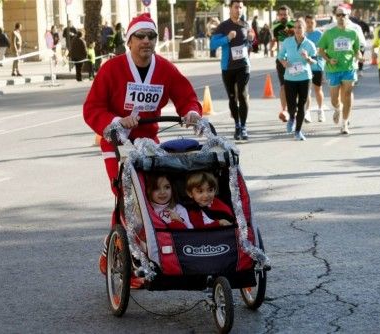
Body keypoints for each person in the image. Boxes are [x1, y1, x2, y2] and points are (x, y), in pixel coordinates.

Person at [83, 13, 202, 275]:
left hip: (149, 142)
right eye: (140, 36)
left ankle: (154, 248)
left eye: (151, 36)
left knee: (156, 195)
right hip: (117, 143)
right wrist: (116, 121)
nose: (146, 41)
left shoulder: (165, 68)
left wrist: (192, 111)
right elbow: (92, 108)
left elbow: (186, 96)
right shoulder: (111, 69)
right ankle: (114, 248)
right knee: (127, 197)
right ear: (129, 41)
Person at [210, 0, 255, 141]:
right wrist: (227, 38)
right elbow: (213, 44)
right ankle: (237, 125)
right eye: (236, 7)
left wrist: (251, 40)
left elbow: (251, 42)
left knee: (242, 94)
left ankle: (244, 126)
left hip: (243, 66)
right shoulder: (223, 26)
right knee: (232, 98)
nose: (238, 10)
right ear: (230, 9)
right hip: (228, 67)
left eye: (240, 7)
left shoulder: (246, 24)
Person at [318, 5, 361, 135]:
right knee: (334, 99)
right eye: (339, 15)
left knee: (347, 94)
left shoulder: (353, 33)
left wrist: (359, 56)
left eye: (344, 15)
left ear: (348, 16)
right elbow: (321, 51)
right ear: (335, 17)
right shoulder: (329, 33)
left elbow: (356, 50)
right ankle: (337, 109)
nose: (341, 17)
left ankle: (345, 123)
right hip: (333, 69)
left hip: (348, 68)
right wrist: (329, 59)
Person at [277, 18, 317, 141]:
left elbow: (315, 61)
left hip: (305, 78)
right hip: (290, 77)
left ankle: (298, 131)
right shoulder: (287, 42)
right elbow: (280, 55)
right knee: (291, 105)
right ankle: (292, 118)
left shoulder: (309, 44)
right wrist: (284, 62)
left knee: (302, 105)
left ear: (304, 29)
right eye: (296, 27)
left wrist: (308, 58)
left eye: (300, 27)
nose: (297, 30)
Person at [270, 5, 295, 121]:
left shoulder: (295, 25)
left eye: (285, 14)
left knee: (296, 85)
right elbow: (275, 41)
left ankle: (296, 108)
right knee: (283, 85)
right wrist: (273, 47)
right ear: (278, 16)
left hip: (295, 60)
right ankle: (284, 110)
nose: (283, 17)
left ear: (289, 15)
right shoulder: (275, 27)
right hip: (281, 60)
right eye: (281, 15)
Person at [305, 15, 326, 122]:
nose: (309, 24)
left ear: (315, 23)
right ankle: (307, 112)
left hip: (317, 66)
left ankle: (320, 110)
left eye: (311, 22)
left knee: (318, 89)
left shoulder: (320, 35)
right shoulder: (302, 35)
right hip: (305, 67)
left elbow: (324, 50)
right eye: (307, 22)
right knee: (307, 90)